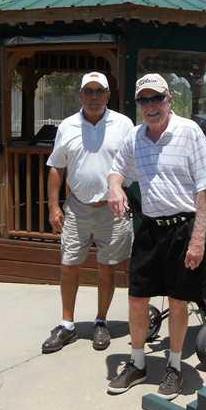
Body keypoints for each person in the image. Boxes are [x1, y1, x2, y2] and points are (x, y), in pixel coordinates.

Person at [106, 73, 206, 400]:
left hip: (184, 229)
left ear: (169, 100)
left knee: (179, 301)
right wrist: (115, 187)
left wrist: (198, 240)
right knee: (137, 298)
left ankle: (174, 366)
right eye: (144, 100)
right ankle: (137, 363)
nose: (151, 106)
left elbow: (205, 190)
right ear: (138, 105)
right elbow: (117, 170)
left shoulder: (189, 132)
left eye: (157, 99)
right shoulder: (135, 137)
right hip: (151, 229)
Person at [41, 72, 135, 354]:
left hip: (112, 210)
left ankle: (101, 321)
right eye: (88, 91)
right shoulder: (67, 126)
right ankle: (67, 325)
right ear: (80, 95)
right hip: (77, 208)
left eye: (99, 91)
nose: (94, 97)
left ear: (108, 95)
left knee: (107, 268)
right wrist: (54, 206)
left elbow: (134, 162)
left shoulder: (124, 124)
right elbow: (56, 167)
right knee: (69, 265)